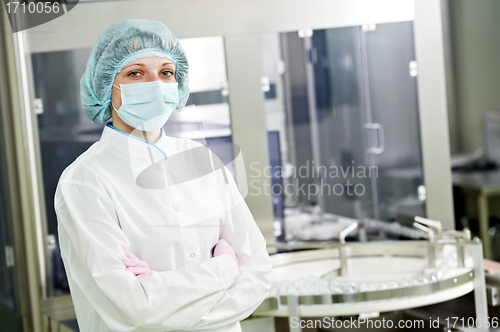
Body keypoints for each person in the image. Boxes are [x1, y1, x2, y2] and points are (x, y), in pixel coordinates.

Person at [55, 19, 272, 332]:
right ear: (106, 85)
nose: (155, 84)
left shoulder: (202, 161)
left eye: (166, 72)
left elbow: (259, 274)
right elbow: (134, 309)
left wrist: (159, 290)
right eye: (135, 73)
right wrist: (224, 270)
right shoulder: (85, 181)